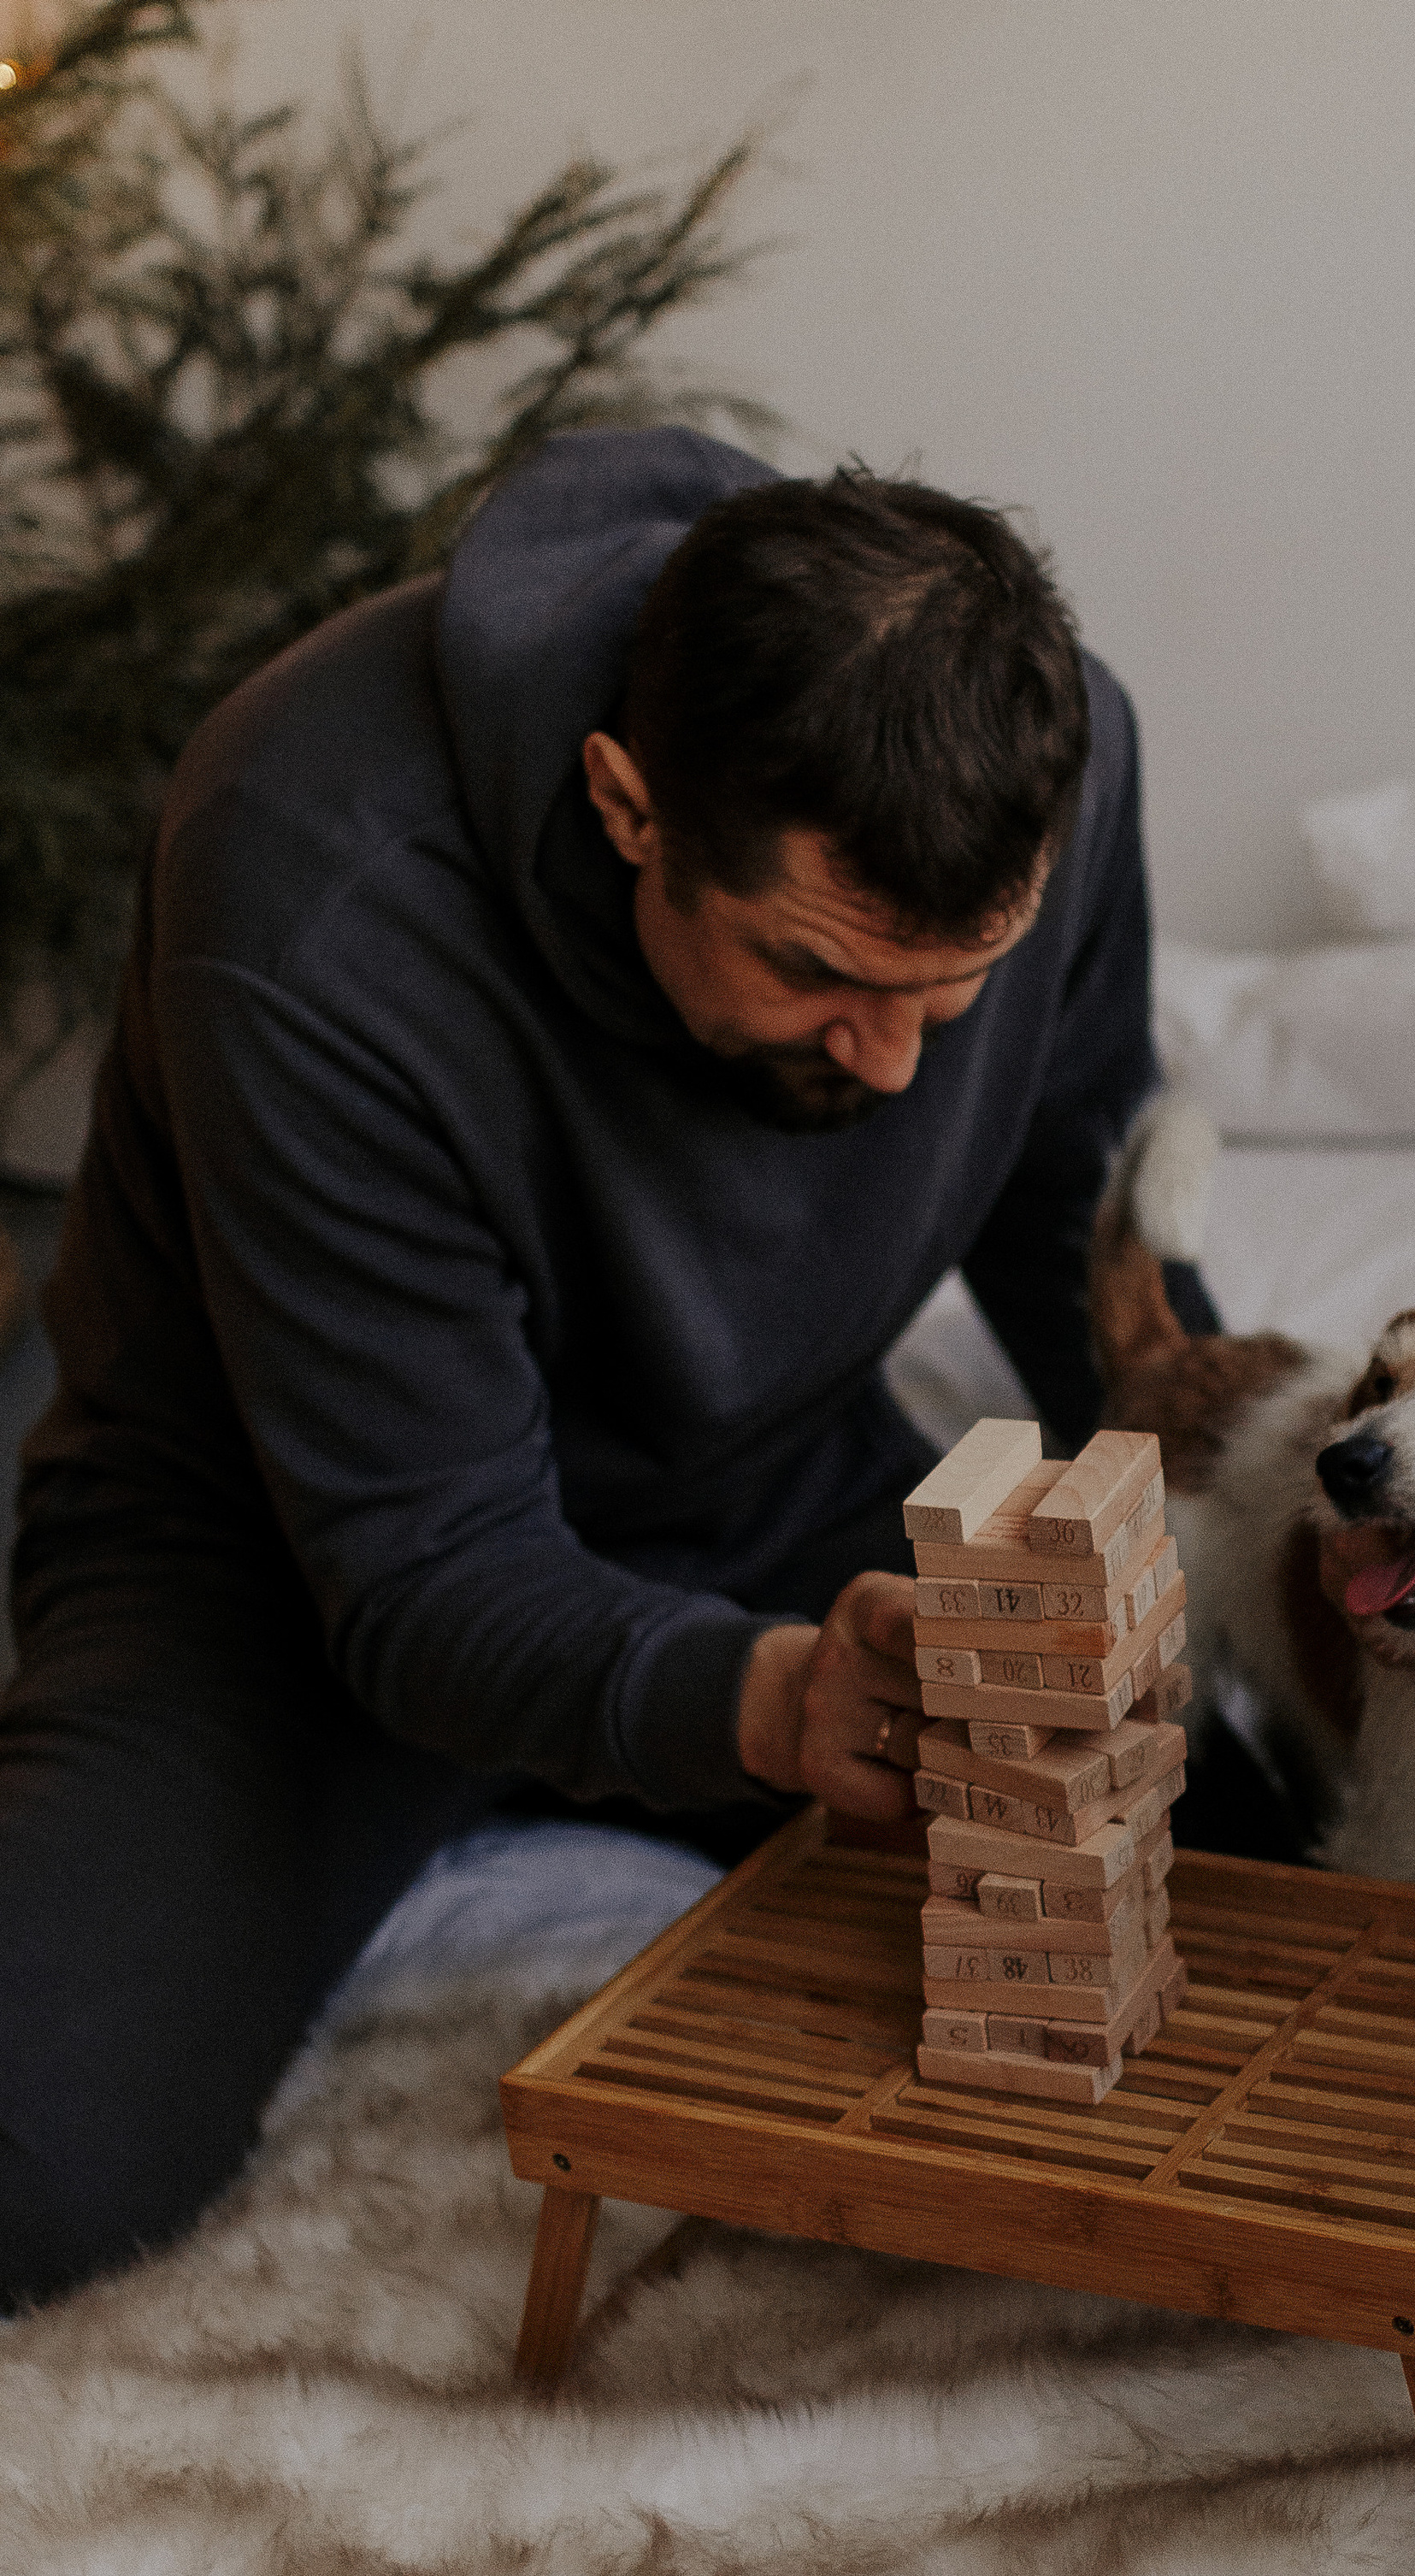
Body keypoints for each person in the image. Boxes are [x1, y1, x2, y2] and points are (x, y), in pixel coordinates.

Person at [0, 427, 1176, 2306]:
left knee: (1249, 1893)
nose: (889, 1068)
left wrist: (1199, 1473)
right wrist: (766, 1704)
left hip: (765, 1501)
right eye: (815, 976)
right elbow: (426, 1569)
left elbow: (1068, 1181)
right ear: (630, 808)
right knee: (32, 2159)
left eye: (945, 996)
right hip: (283, 1577)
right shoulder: (312, 878)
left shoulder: (1064, 763)